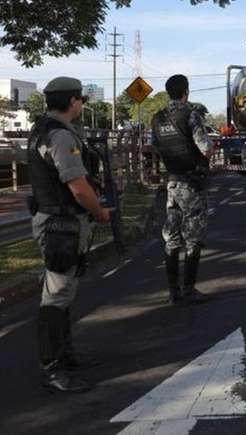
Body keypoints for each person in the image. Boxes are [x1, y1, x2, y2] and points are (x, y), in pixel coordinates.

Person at [28, 77, 112, 392]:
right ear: (73, 102)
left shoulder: (44, 128)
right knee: (56, 294)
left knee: (63, 293)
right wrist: (99, 212)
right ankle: (53, 367)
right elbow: (78, 187)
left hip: (57, 222)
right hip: (59, 225)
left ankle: (65, 355)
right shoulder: (61, 136)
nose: (81, 106)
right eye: (80, 101)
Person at [151, 74, 214, 305]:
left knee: (172, 237)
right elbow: (205, 148)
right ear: (185, 92)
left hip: (172, 183)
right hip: (191, 184)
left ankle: (173, 293)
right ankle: (189, 289)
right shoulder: (191, 115)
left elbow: (155, 146)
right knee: (193, 237)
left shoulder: (157, 118)